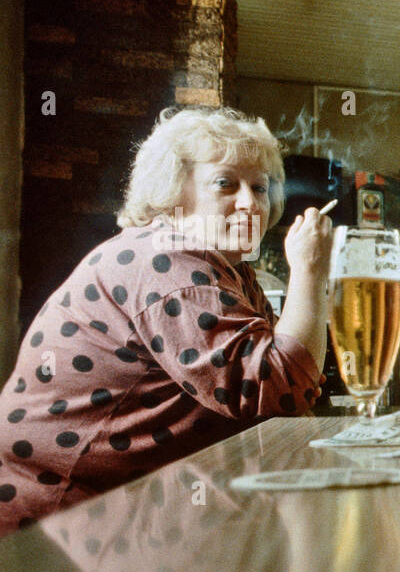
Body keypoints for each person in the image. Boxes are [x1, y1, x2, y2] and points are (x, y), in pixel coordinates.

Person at [0, 106, 334, 536]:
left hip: (125, 504)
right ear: (175, 192)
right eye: (225, 183)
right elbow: (280, 388)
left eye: (260, 187)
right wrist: (310, 269)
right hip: (59, 518)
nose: (251, 203)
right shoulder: (166, 257)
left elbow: (283, 397)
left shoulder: (228, 269)